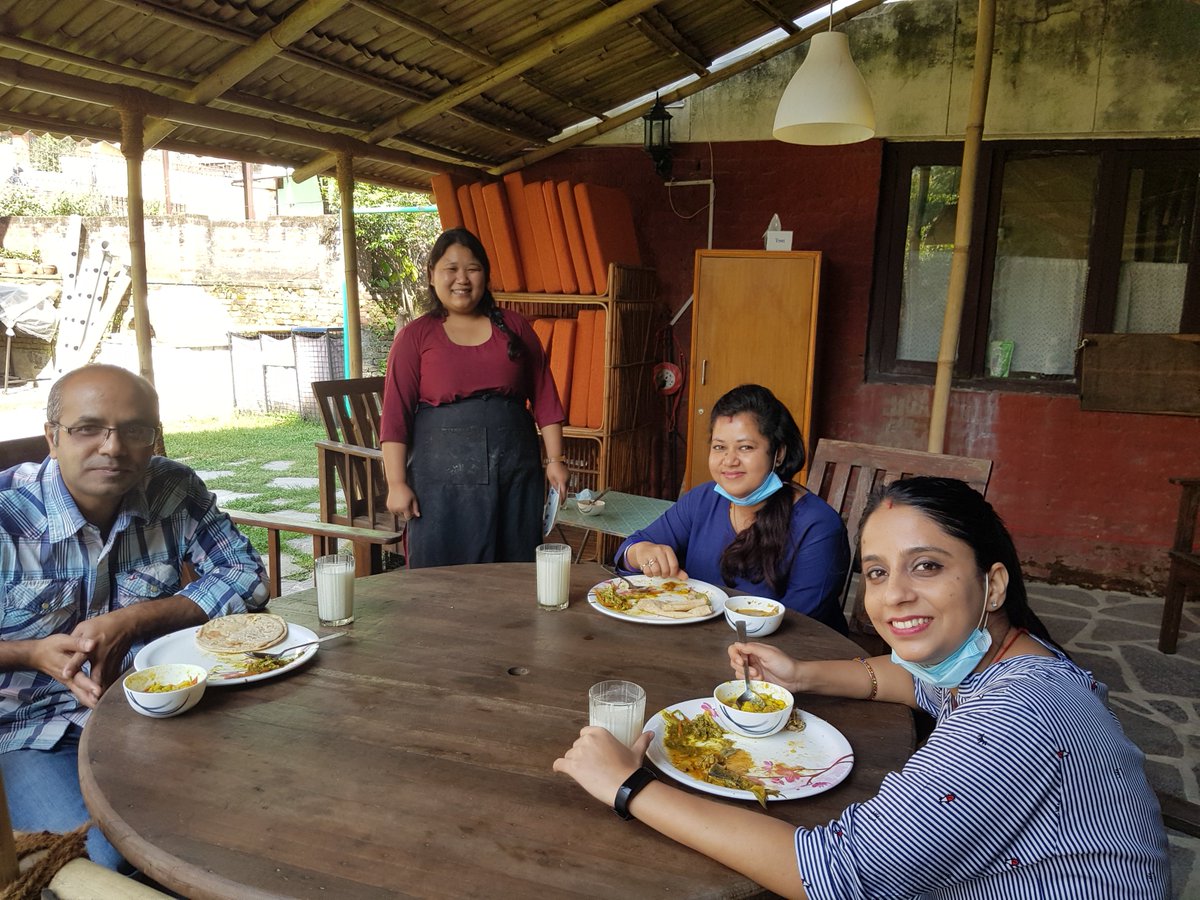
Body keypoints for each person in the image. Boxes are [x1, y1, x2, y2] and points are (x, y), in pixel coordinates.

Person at [556, 477, 1171, 899]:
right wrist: (800, 674)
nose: (894, 594)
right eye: (877, 573)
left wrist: (628, 787)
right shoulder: (1004, 666)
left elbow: (838, 875)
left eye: (926, 566)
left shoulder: (1013, 716)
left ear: (994, 583)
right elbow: (909, 681)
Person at [0, 364, 268, 870]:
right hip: (29, 730)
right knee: (110, 857)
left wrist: (136, 619)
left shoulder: (173, 490)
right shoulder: (5, 516)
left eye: (135, 430)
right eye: (88, 429)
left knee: (249, 814)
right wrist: (30, 653)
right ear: (52, 438)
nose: (113, 447)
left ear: (154, 438)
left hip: (155, 711)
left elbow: (247, 575)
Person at [381, 227, 569, 567]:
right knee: (442, 573)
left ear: (486, 275)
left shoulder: (514, 327)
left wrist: (556, 459)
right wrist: (396, 482)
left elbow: (544, 395)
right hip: (440, 484)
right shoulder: (414, 337)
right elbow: (395, 417)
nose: (461, 279)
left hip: (514, 473)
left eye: (472, 268)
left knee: (513, 565)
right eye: (451, 269)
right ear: (431, 275)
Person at [615, 384, 849, 633]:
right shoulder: (703, 500)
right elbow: (627, 552)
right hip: (699, 642)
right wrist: (642, 552)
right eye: (719, 447)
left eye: (745, 447)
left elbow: (798, 625)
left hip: (781, 661)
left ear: (778, 453)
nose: (729, 460)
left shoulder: (818, 526)